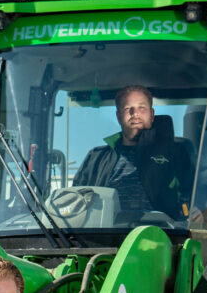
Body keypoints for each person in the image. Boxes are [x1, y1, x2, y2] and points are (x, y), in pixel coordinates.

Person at [73, 85, 194, 221]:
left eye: (141, 108)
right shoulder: (95, 158)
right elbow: (76, 204)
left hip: (163, 236)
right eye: (127, 108)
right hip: (106, 237)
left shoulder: (176, 153)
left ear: (152, 114)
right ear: (119, 117)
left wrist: (193, 212)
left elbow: (193, 198)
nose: (134, 113)